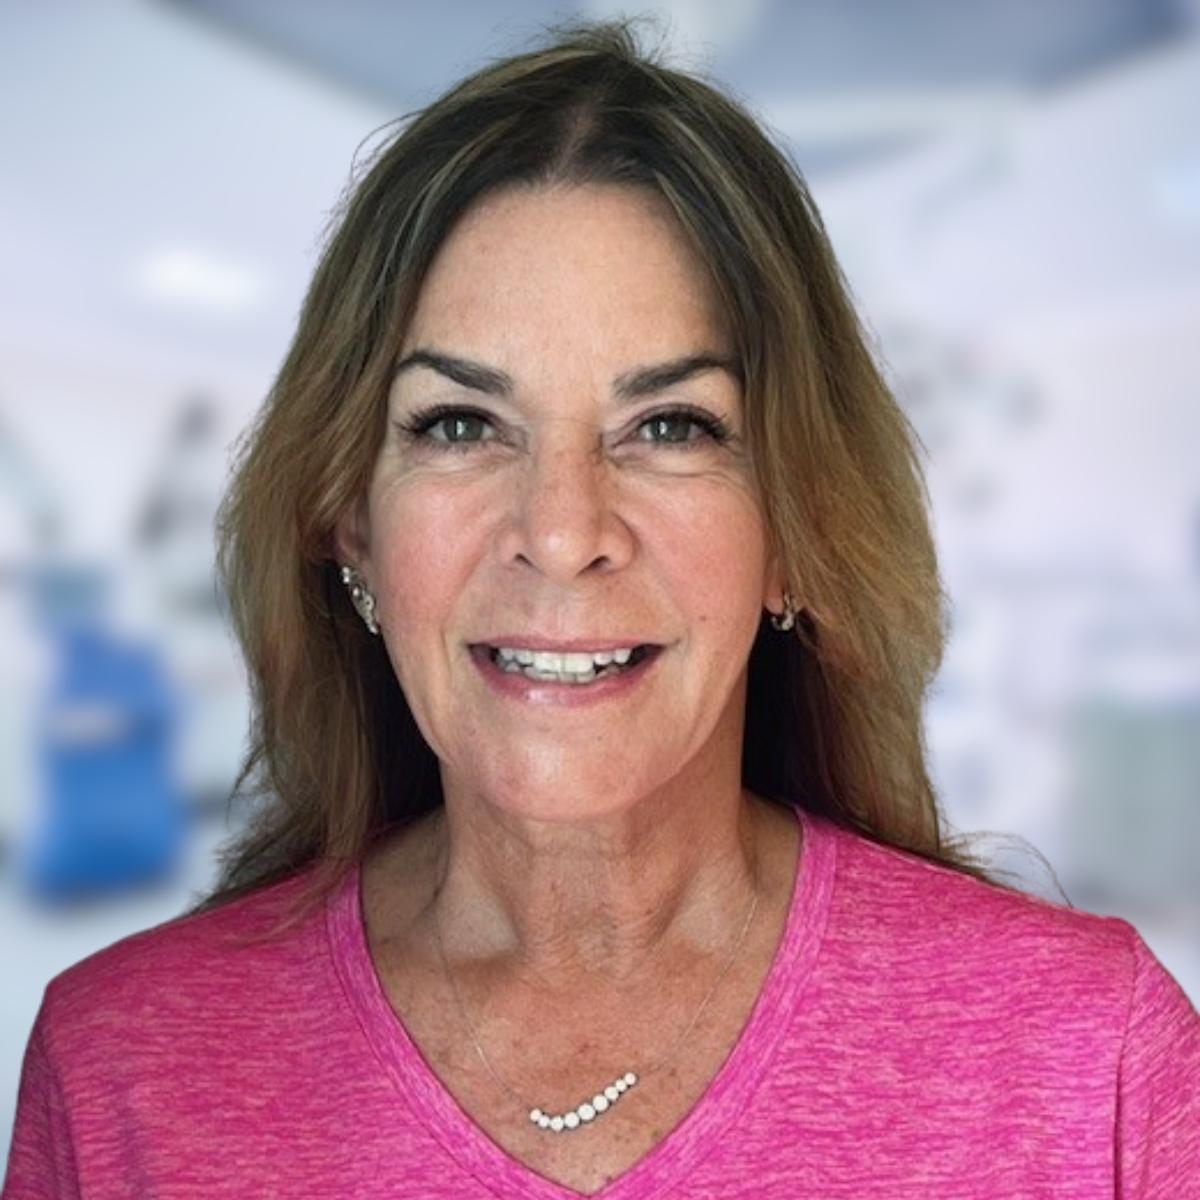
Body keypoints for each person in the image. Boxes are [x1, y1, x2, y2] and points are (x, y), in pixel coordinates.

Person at [5, 20, 1198, 1199]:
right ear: (350, 522)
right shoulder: (124, 1073)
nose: (564, 532)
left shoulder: (1091, 1063)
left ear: (793, 532)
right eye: (461, 424)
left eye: (671, 427)